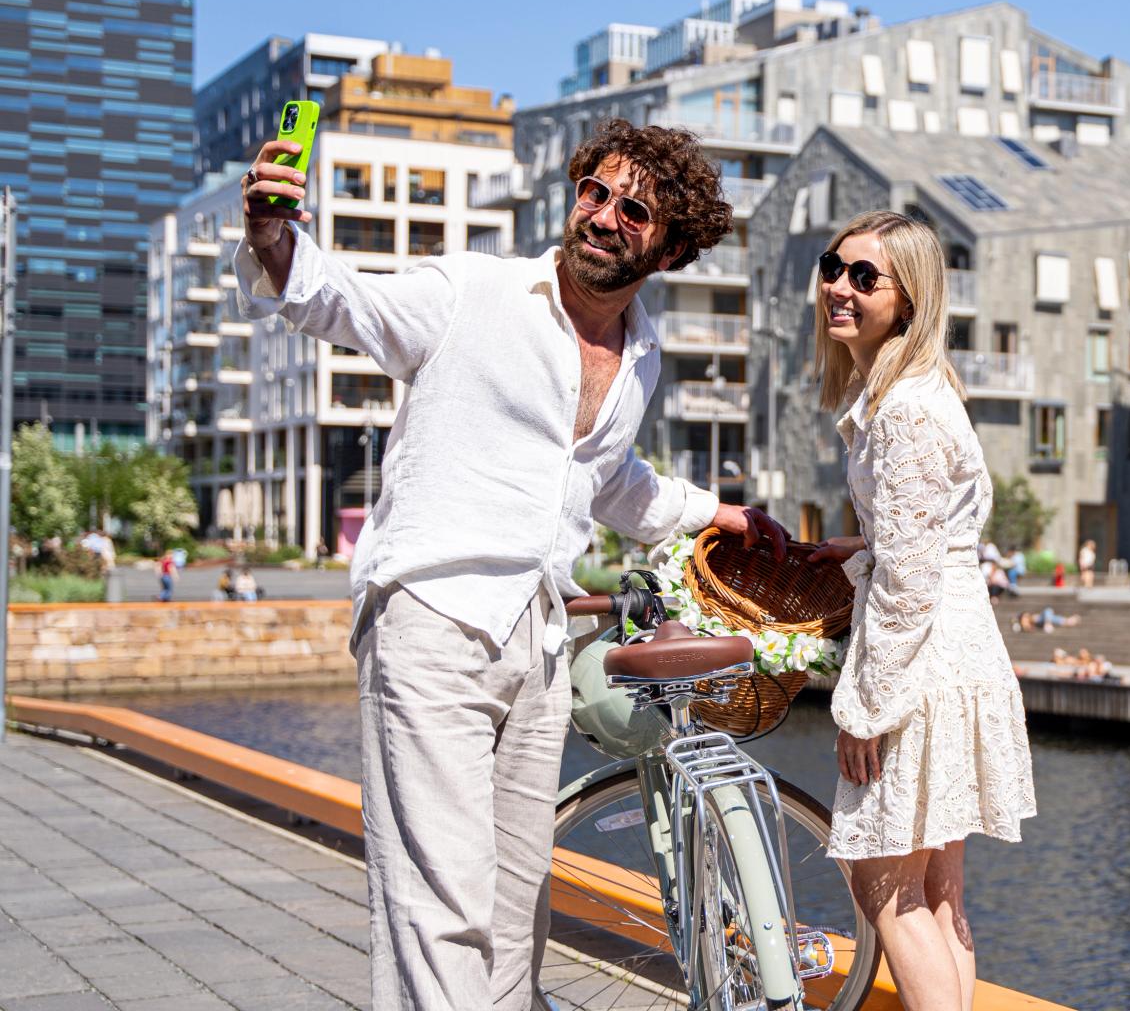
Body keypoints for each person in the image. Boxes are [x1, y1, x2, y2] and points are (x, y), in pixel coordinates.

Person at [235, 119, 788, 1008]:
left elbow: (608, 481)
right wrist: (274, 237)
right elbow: (348, 303)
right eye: (594, 192)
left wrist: (715, 512)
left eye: (634, 209)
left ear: (672, 248)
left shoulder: (641, 356)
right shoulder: (475, 291)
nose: (603, 216)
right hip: (432, 619)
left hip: (535, 642)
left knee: (516, 902)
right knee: (438, 901)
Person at [800, 209, 1036, 1009]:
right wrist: (856, 550)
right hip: (961, 652)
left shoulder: (900, 411)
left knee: (884, 885)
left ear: (910, 299)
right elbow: (926, 549)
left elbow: (908, 583)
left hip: (923, 664)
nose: (840, 287)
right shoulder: (913, 392)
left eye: (866, 278)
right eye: (835, 266)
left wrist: (866, 706)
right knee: (938, 892)